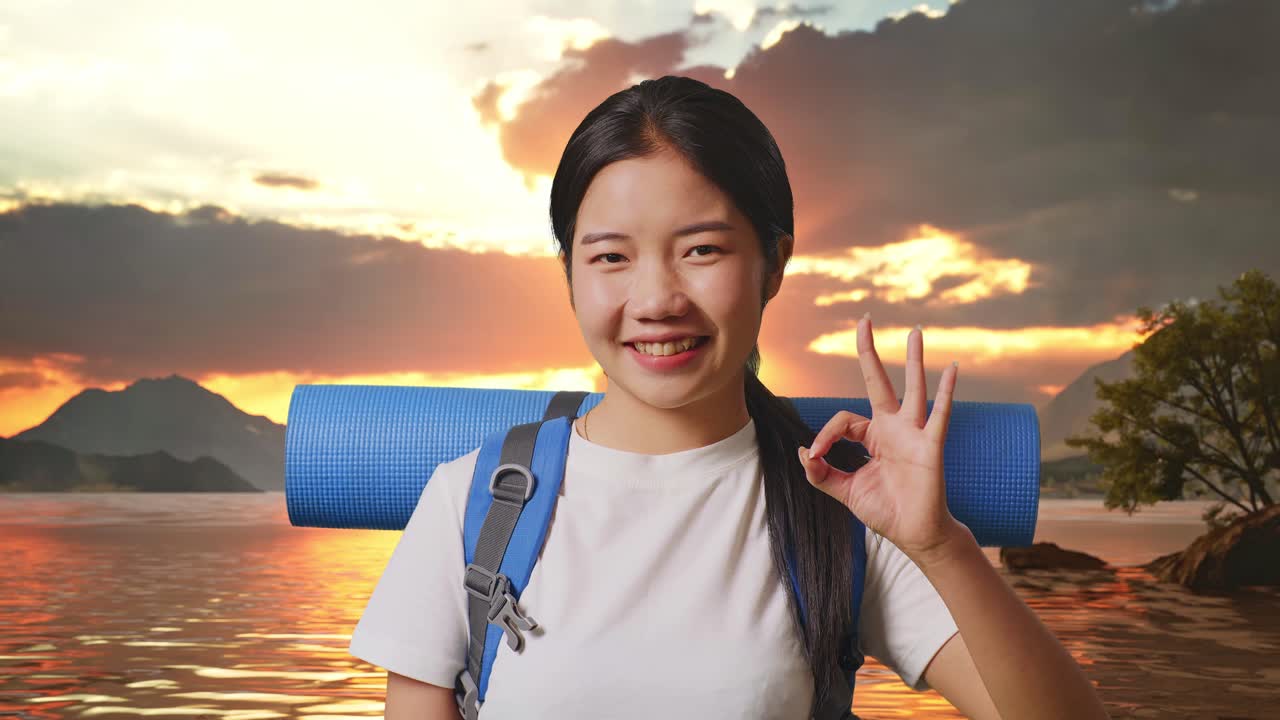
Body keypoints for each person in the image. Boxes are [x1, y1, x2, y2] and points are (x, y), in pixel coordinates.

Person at [348, 75, 1110, 720]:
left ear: (774, 263)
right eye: (611, 256)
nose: (656, 299)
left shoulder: (844, 514)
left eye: (702, 250)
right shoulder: (472, 506)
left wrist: (942, 548)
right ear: (569, 275)